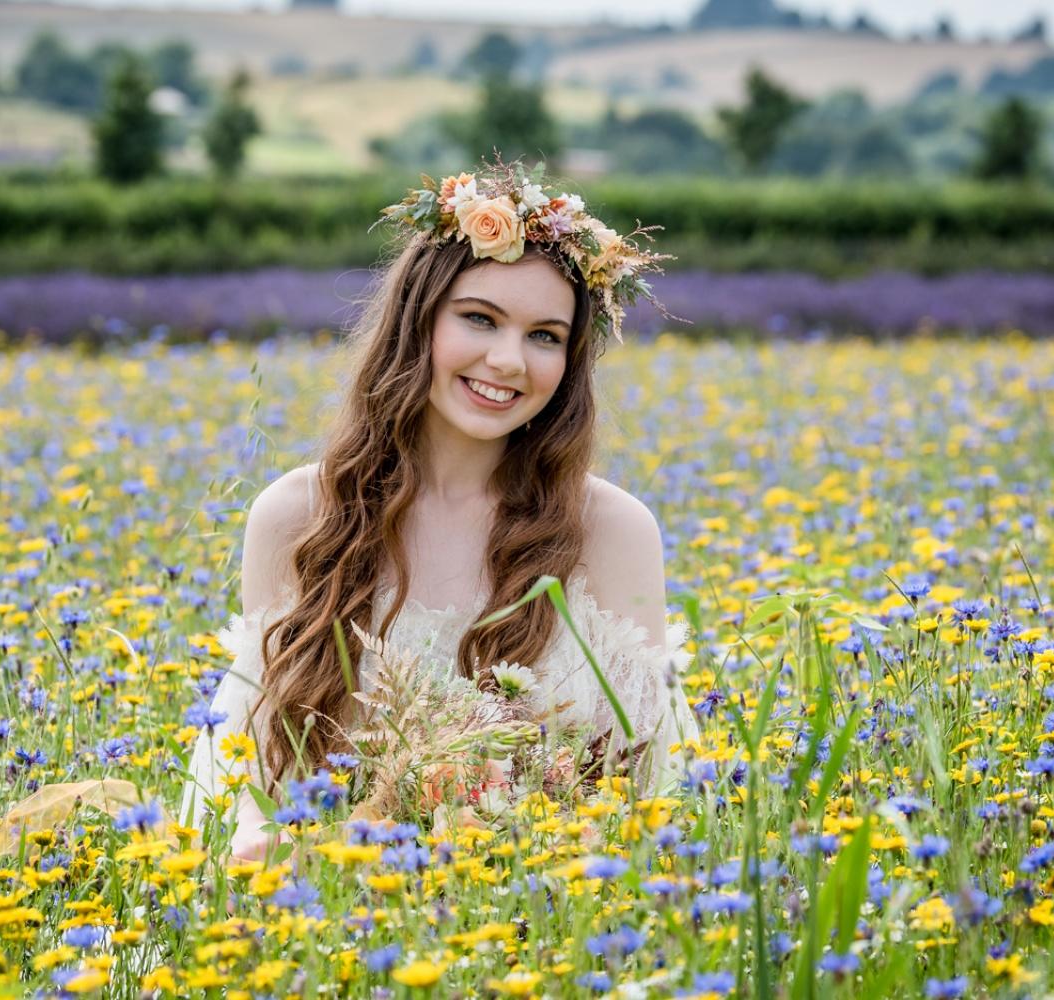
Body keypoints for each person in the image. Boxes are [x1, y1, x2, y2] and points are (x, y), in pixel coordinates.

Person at [176, 159, 701, 863]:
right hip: (330, 894)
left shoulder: (610, 531)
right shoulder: (297, 513)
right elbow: (261, 772)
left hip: (536, 903)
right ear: (414, 321)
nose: (508, 360)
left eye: (545, 335)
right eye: (480, 319)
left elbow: (650, 786)